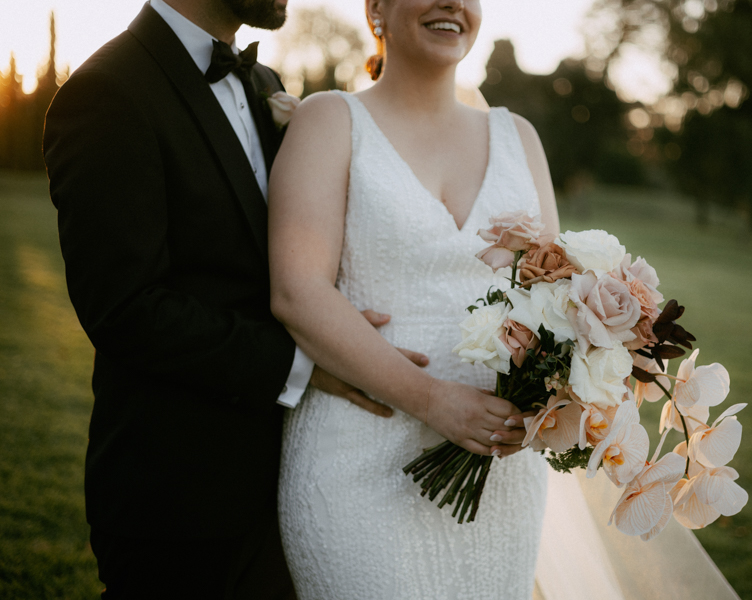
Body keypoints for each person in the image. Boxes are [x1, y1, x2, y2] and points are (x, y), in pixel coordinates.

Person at [42, 0, 428, 597]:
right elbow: (127, 310)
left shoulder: (265, 83)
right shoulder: (106, 92)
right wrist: (307, 363)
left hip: (295, 486)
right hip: (178, 499)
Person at [268, 0, 558, 598]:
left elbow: (555, 299)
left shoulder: (519, 137)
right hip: (357, 460)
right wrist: (432, 399)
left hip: (498, 478)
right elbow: (297, 292)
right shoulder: (329, 120)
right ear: (377, 8)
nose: (453, 3)